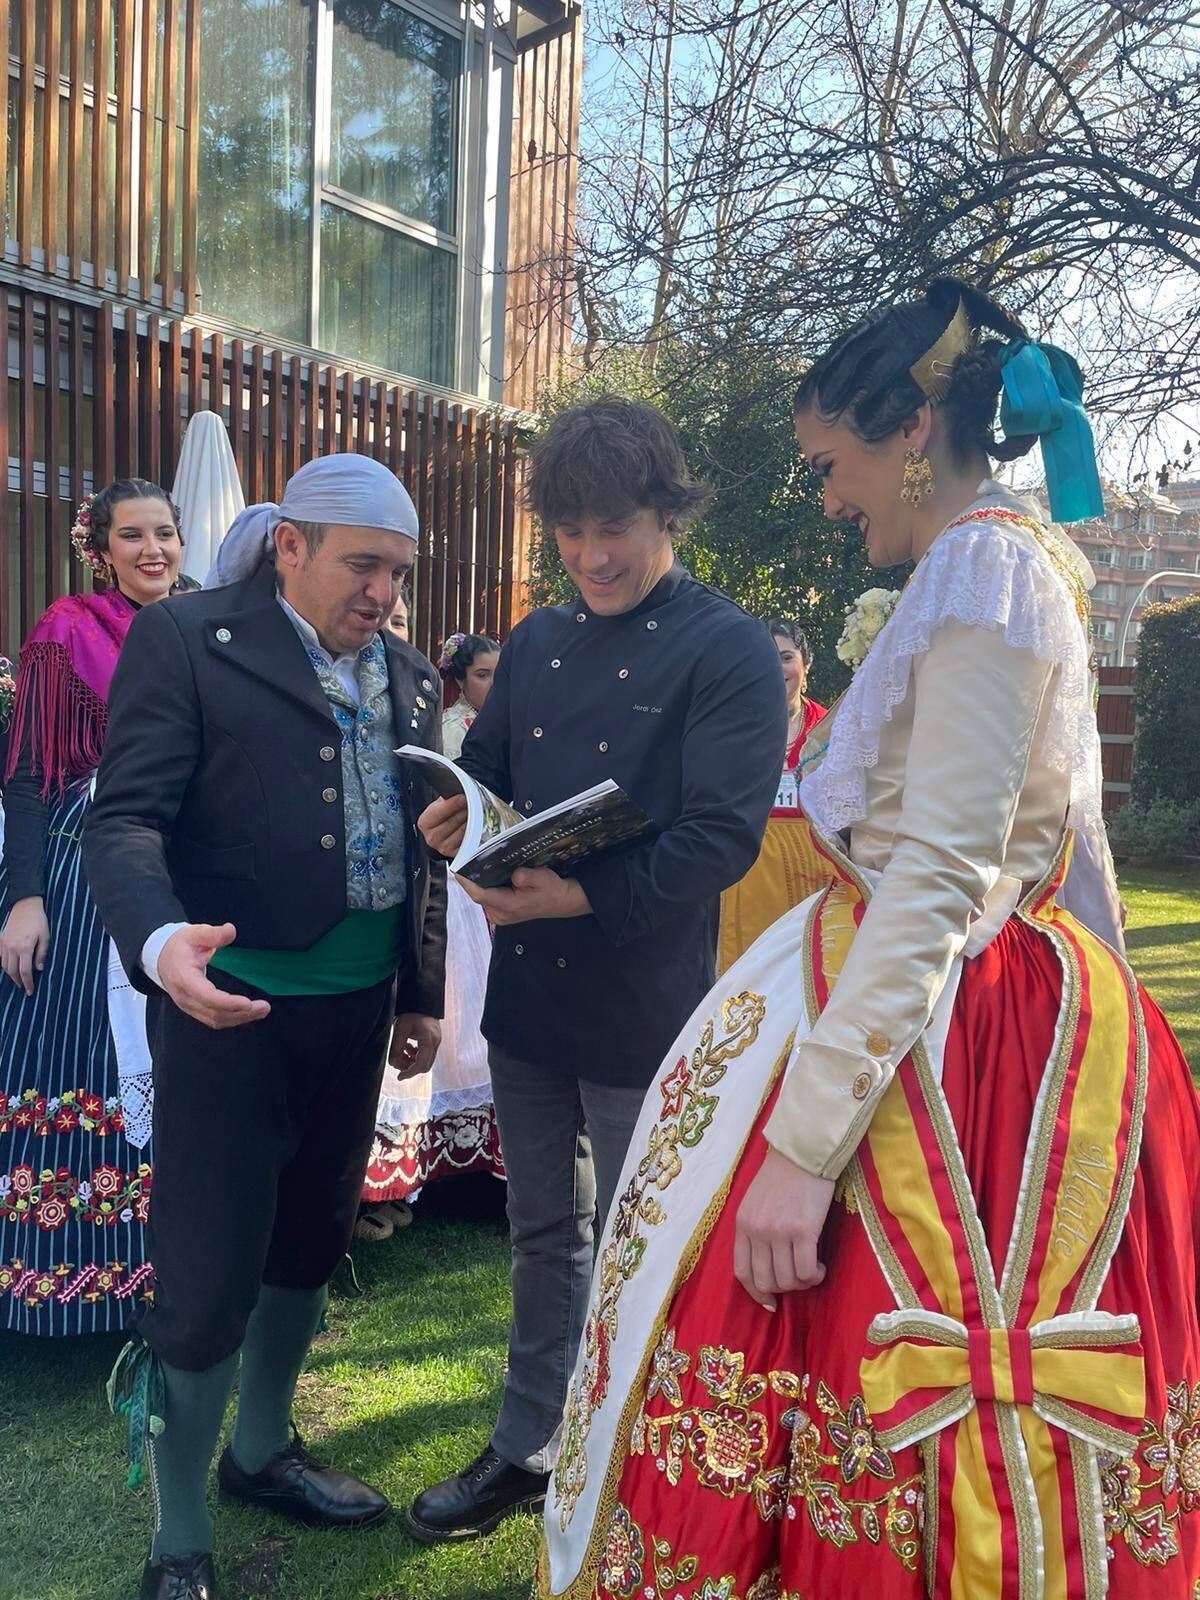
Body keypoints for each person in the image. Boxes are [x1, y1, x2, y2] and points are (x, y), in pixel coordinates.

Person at [539, 279, 1200, 1600]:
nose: (828, 498)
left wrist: (799, 1146)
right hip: (963, 1001)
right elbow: (1068, 839)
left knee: (871, 1349)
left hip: (952, 1048)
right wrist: (1112, 987)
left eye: (831, 464)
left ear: (909, 432)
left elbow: (944, 880)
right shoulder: (997, 569)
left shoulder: (985, 570)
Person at [407, 397, 786, 1544]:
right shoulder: (536, 638)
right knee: (542, 1234)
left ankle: (640, 1461)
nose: (592, 556)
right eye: (568, 532)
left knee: (642, 1242)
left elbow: (721, 838)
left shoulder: (727, 646)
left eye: (613, 525)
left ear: (669, 509)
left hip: (648, 1002)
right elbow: (494, 770)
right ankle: (528, 1447)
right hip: (531, 997)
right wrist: (457, 822)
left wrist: (566, 889)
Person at [82, 454, 447, 1600]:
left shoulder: (415, 676)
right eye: (362, 564)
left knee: (310, 1244)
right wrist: (157, 944)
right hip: (226, 1008)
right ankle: (178, 1535)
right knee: (205, 1272)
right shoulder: (188, 640)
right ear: (289, 544)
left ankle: (261, 1452)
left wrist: (421, 988)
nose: (383, 591)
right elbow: (127, 819)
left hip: (357, 1009)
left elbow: (420, 847)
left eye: (397, 570)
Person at [0, 481, 182, 1336]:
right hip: (82, 879)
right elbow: (31, 774)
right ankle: (67, 1280)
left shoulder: (201, 629)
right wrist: (24, 896)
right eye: (134, 535)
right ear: (99, 548)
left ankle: (170, 1272)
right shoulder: (65, 631)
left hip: (183, 871)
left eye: (167, 534)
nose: (154, 550)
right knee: (84, 1057)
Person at [359, 630, 504, 1227]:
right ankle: (383, 1178)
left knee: (467, 1020)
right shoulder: (448, 726)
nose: (492, 685)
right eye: (483, 674)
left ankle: (467, 1166)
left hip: (453, 885)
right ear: (460, 679)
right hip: (433, 865)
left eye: (500, 673)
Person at [717, 618, 828, 971]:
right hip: (748, 874)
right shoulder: (730, 727)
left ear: (805, 665)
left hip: (812, 872)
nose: (775, 667)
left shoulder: (830, 729)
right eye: (764, 656)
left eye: (785, 657)